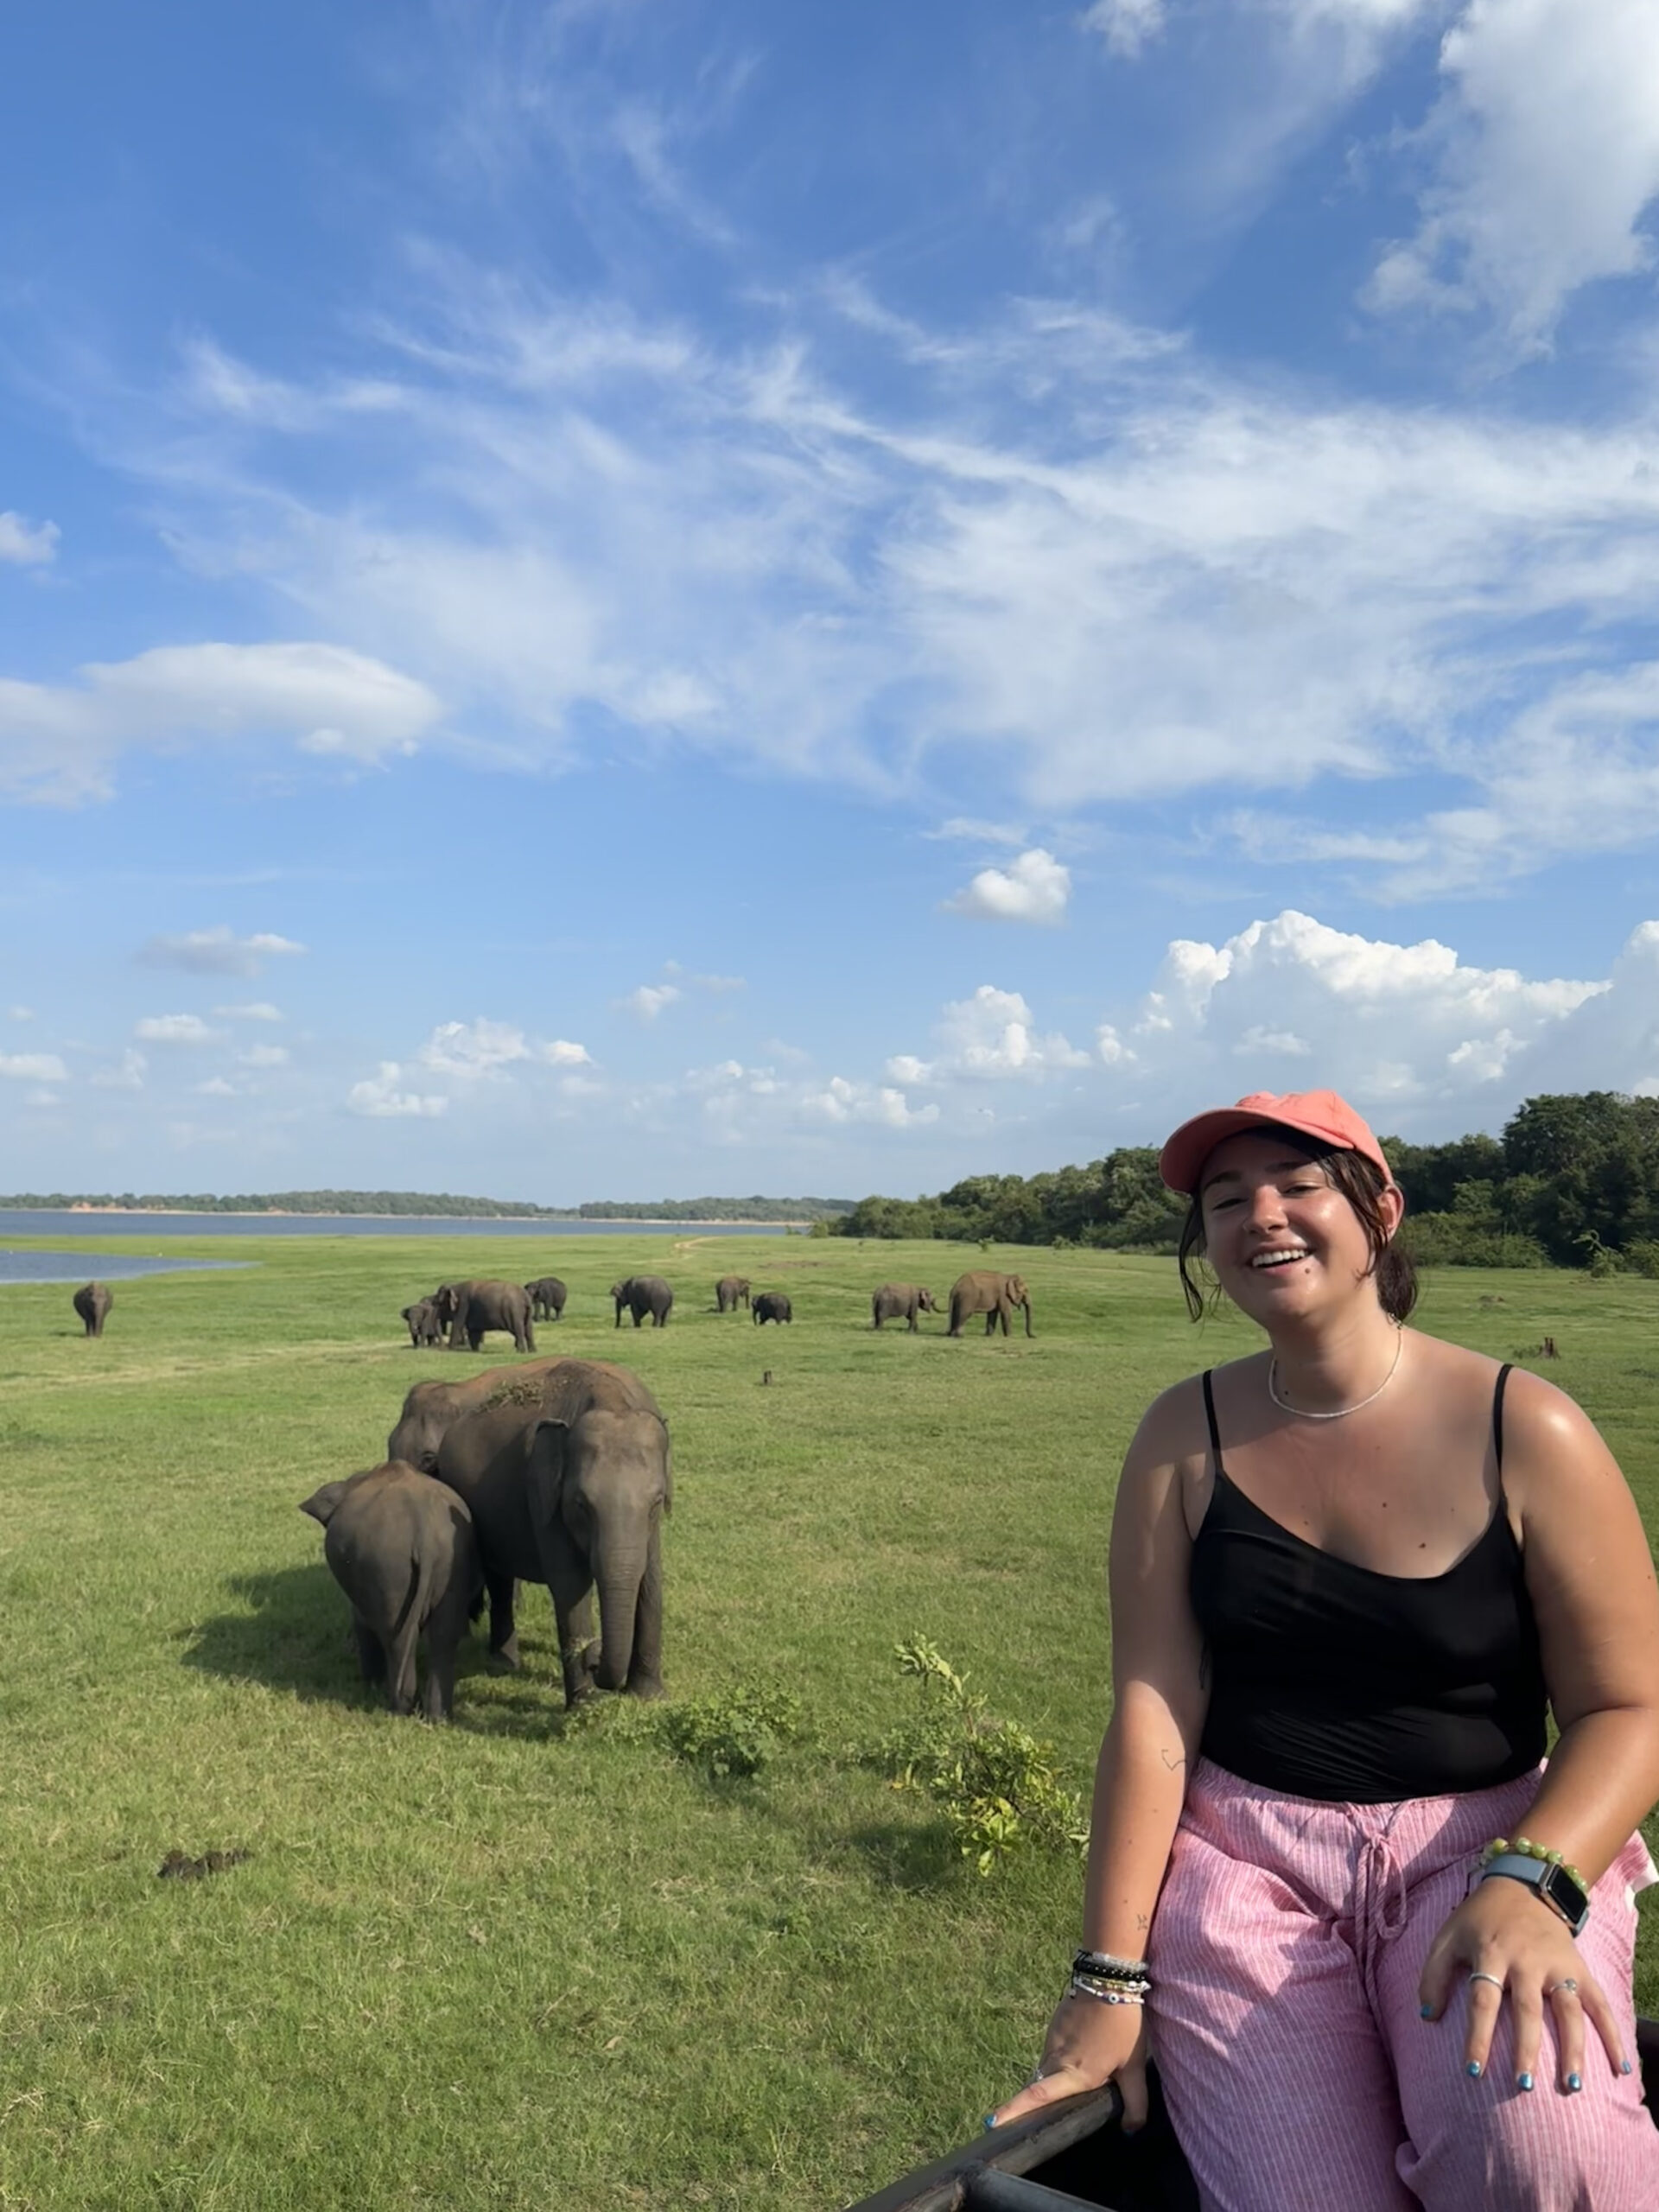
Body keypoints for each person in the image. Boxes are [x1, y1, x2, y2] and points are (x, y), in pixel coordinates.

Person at [989, 1089, 1659, 2211]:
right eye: (1225, 1198)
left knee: (1551, 2164)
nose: (1263, 1214)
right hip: (1249, 1875)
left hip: (1483, 1849)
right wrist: (1108, 1979)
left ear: (1381, 1210)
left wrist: (1534, 1882)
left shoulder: (1523, 1426)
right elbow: (1155, 1707)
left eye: (1299, 1185)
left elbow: (1630, 1709)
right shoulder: (1180, 1436)